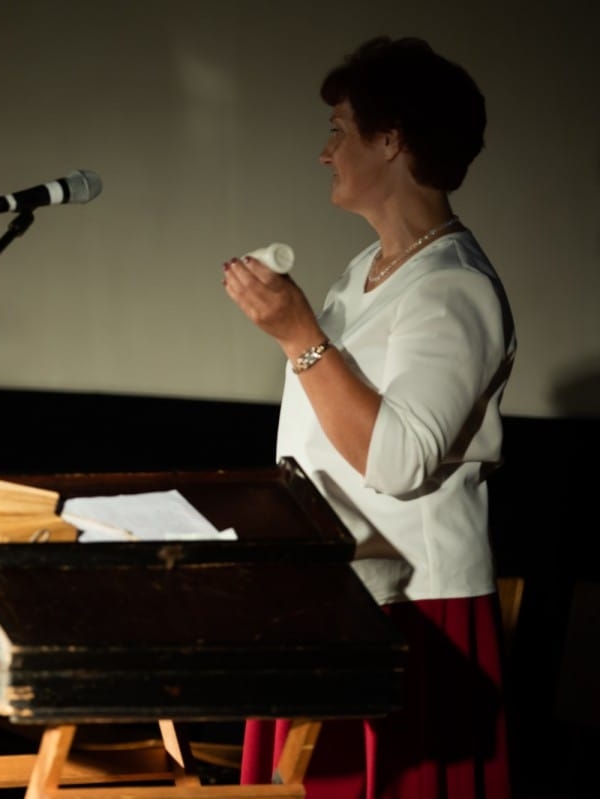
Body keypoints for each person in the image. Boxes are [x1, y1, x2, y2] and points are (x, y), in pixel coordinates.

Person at [222, 37, 515, 798]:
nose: (327, 152)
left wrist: (298, 334)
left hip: (412, 610)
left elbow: (399, 461)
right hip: (339, 592)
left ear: (392, 141)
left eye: (339, 129)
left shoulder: (454, 289)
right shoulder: (366, 270)